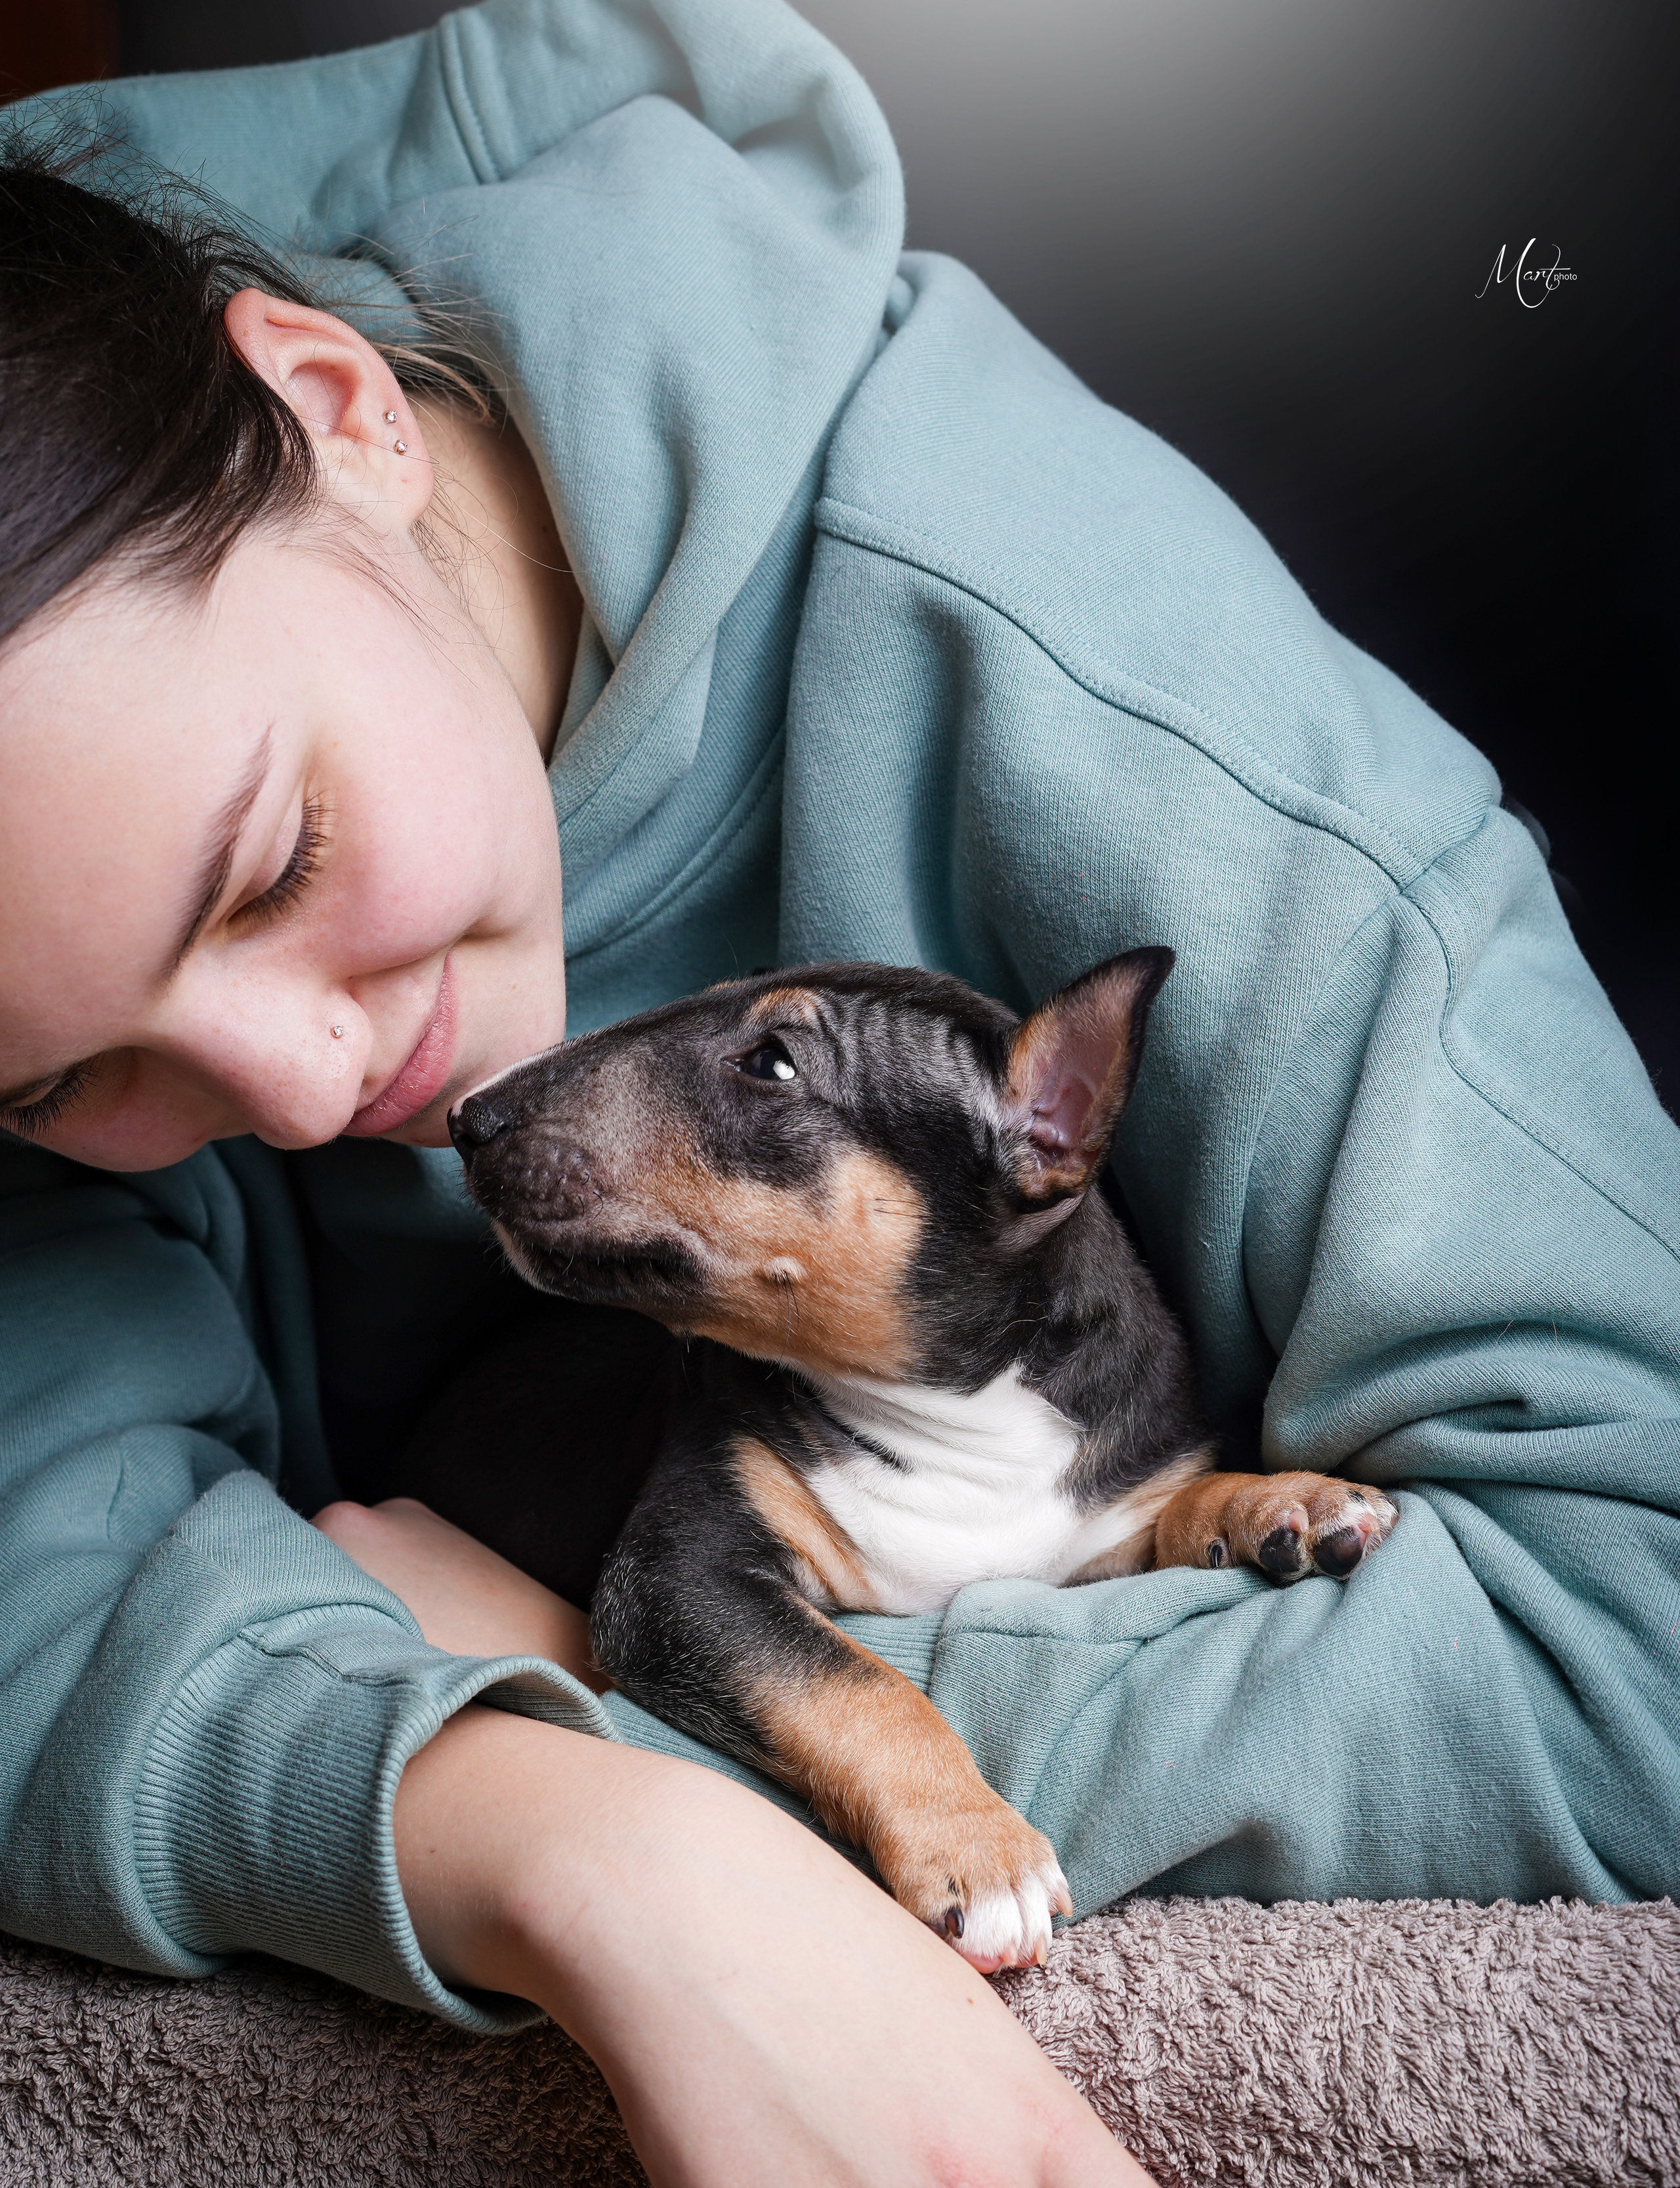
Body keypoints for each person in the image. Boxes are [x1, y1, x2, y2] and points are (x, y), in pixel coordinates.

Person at [1, 0, 1675, 2179]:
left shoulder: (1120, 686)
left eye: (275, 863)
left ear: (334, 407)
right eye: (60, 1081)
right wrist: (562, 1829)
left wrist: (631, 1670)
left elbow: (1640, 1642)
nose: (303, 1095)